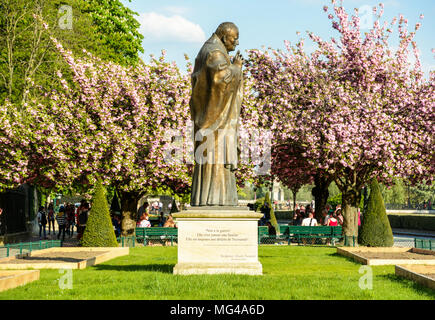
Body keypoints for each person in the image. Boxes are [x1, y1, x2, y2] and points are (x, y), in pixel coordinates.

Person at [190, 22, 244, 206]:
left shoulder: (210, 49)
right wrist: (236, 68)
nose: (236, 43)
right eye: (233, 38)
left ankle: (219, 199)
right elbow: (220, 79)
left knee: (216, 161)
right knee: (215, 159)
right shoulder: (214, 53)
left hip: (213, 123)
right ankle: (214, 200)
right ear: (223, 37)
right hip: (215, 123)